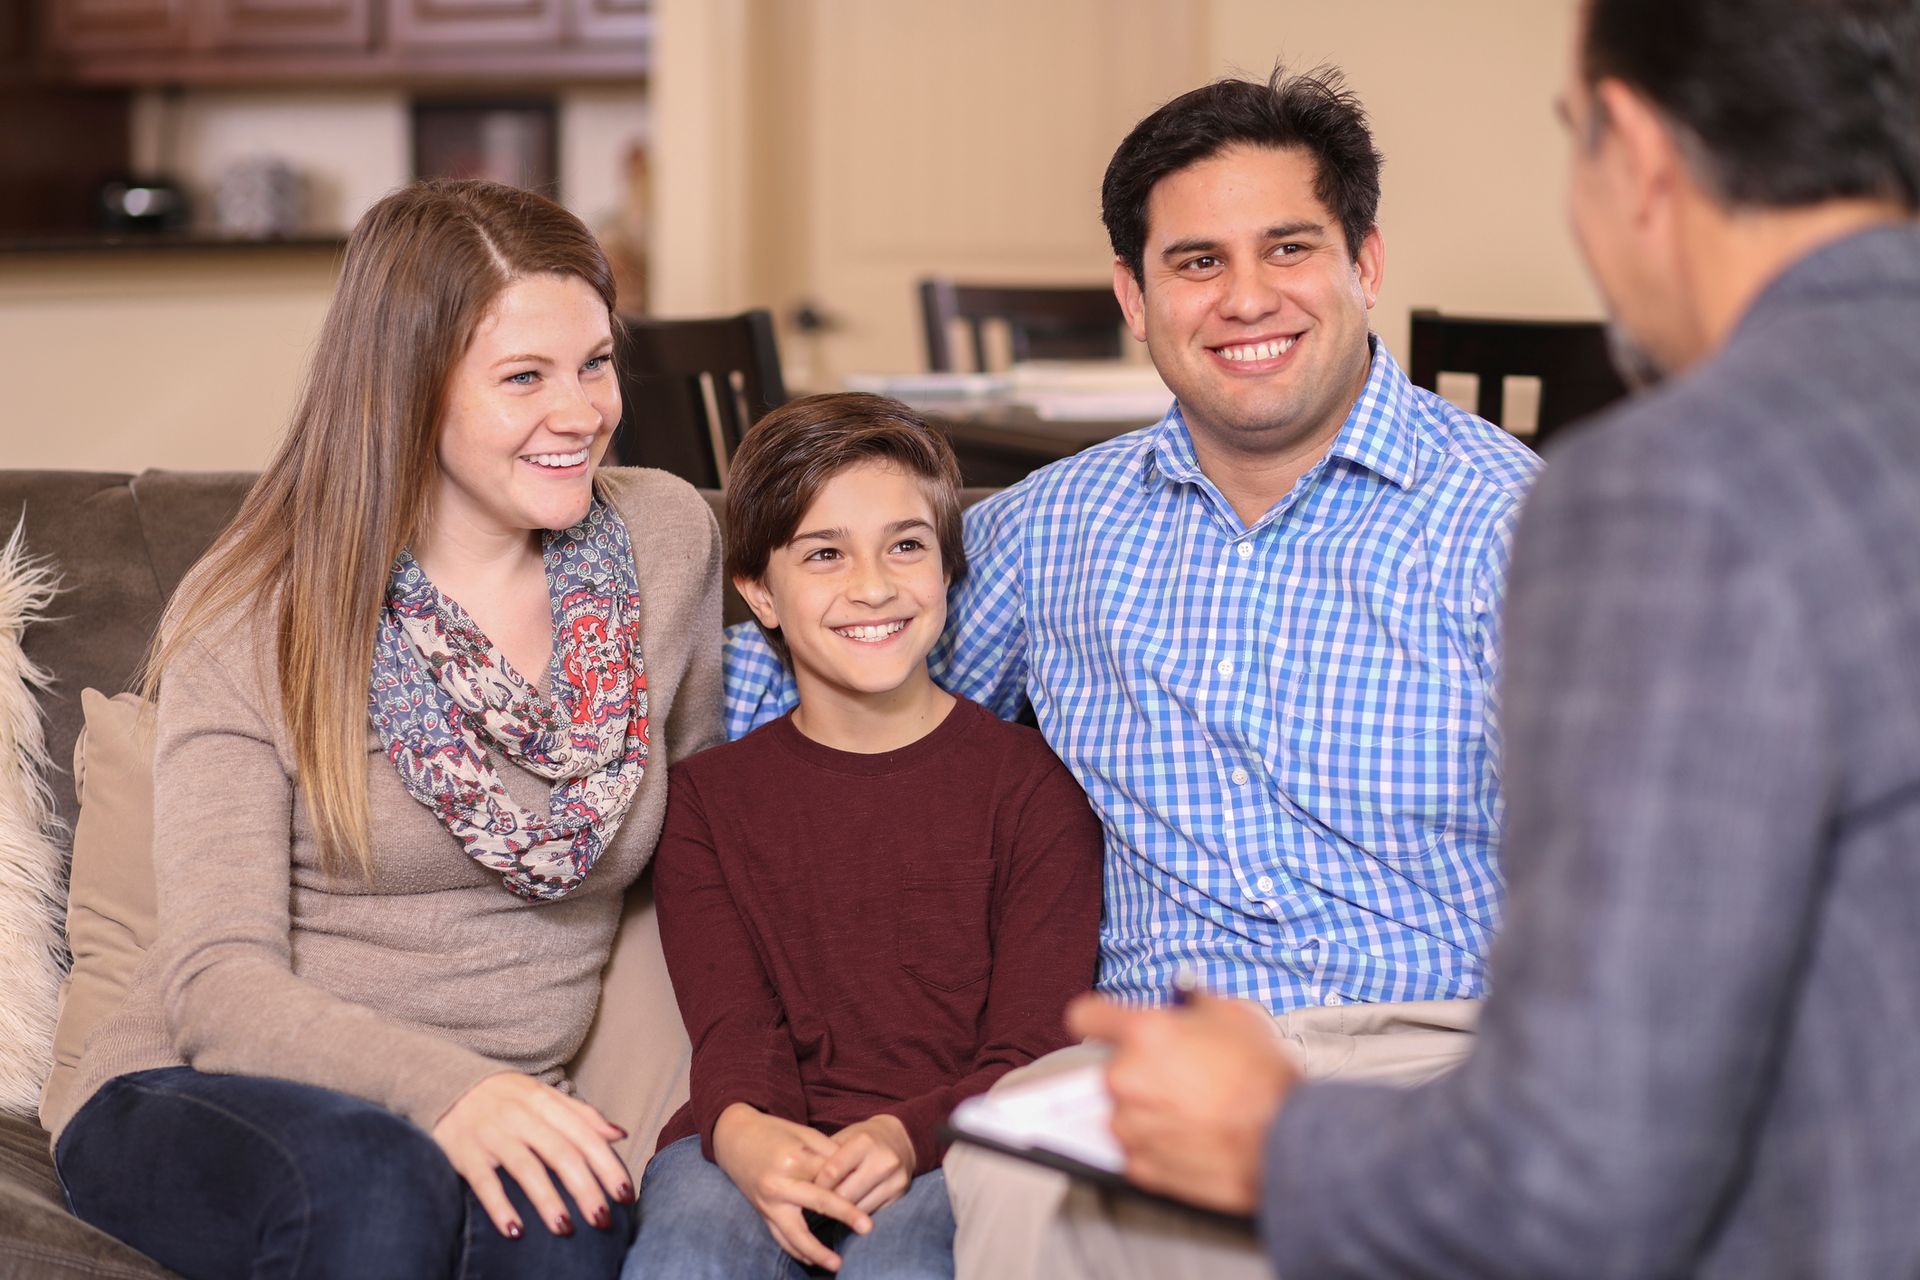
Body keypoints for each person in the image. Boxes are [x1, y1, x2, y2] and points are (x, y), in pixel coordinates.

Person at [1070, 0, 1920, 1275]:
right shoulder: (1055, 530)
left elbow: (1584, 1161)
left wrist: (1276, 1138)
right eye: (1197, 261)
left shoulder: (1666, 489)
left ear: (1629, 146)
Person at [727, 66, 1541, 1277]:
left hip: (1444, 1046)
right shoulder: (1048, 532)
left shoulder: (1522, 526)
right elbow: (808, 709)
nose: (1246, 297)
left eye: (1289, 247)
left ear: (1365, 264)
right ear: (1134, 294)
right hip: (1145, 1052)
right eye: (1197, 261)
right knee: (1018, 1164)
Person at [45, 179, 725, 1279]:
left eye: (596, 362)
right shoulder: (260, 607)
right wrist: (450, 1090)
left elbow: (711, 841)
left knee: (574, 1228)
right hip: (201, 1085)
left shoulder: (664, 540)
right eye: (523, 377)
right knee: (373, 1176)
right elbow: (219, 983)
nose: (581, 412)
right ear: (408, 389)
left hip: (509, 1098)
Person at [621, 393, 1103, 1280]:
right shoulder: (705, 802)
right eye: (825, 554)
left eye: (906, 546)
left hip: (960, 1140)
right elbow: (733, 1030)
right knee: (690, 1250)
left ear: (948, 575)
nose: (873, 586)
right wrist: (745, 1135)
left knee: (907, 1261)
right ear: (760, 592)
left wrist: (905, 1134)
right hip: (754, 1134)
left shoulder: (1037, 788)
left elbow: (1035, 1049)